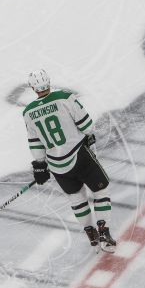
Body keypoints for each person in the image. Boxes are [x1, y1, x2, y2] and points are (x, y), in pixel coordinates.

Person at [22, 69, 116, 253]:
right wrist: (86, 135)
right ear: (48, 81)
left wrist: (40, 165)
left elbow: (35, 143)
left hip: (58, 166)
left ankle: (91, 234)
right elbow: (87, 126)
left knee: (76, 199)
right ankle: (103, 231)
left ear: (33, 87)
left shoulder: (28, 112)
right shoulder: (65, 98)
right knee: (100, 189)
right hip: (80, 156)